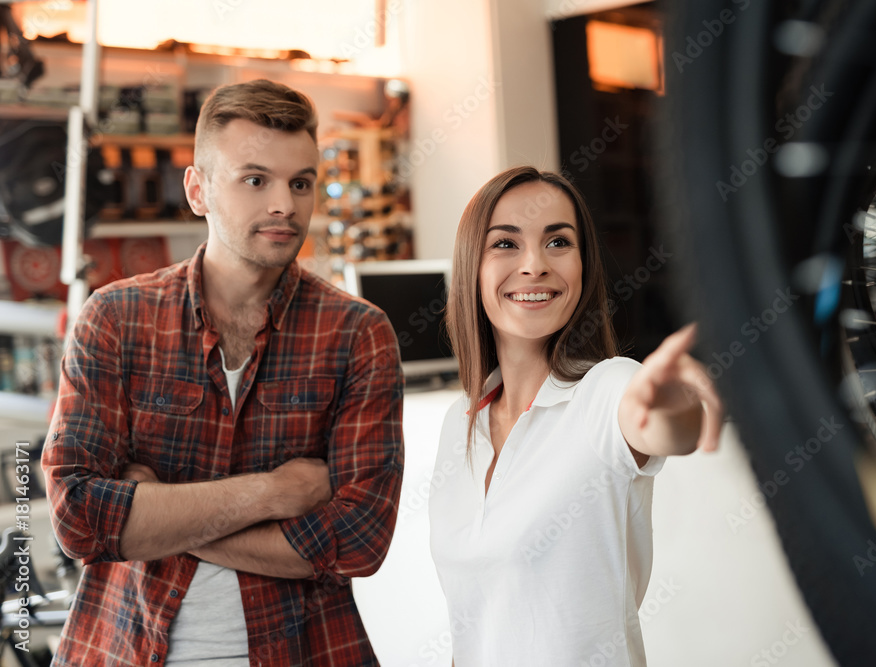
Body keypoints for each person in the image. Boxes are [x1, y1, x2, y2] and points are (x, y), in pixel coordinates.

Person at [42, 79, 404, 666]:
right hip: (124, 648)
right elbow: (80, 518)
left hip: (304, 652)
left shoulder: (357, 335)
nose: (284, 203)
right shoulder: (115, 319)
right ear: (198, 189)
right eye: (255, 179)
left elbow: (357, 541)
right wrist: (277, 493)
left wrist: (154, 512)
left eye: (301, 182)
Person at [428, 166, 723, 665]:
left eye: (558, 242)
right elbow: (475, 619)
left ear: (583, 264)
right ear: (471, 266)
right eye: (505, 244)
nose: (534, 265)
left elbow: (660, 424)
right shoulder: (461, 421)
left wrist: (673, 403)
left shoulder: (606, 389)